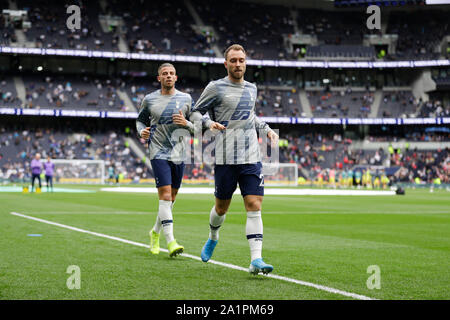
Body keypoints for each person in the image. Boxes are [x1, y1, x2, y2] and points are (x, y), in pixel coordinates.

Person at [189, 44, 279, 275]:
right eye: (233, 60)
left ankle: (256, 259)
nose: (238, 64)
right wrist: (208, 124)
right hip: (225, 157)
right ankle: (213, 237)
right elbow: (195, 112)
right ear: (226, 63)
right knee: (221, 208)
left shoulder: (252, 88)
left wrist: (266, 129)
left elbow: (250, 116)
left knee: (254, 205)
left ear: (245, 62)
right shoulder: (216, 87)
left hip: (251, 156)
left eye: (241, 60)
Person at [136, 62, 195, 258]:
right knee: (165, 196)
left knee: (171, 200)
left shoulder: (186, 99)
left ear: (176, 78)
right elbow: (140, 120)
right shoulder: (150, 99)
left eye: (171, 73)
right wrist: (141, 131)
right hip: (158, 151)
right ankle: (171, 241)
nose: (168, 76)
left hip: (179, 153)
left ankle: (154, 233)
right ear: (159, 78)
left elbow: (197, 126)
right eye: (164, 74)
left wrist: (186, 123)